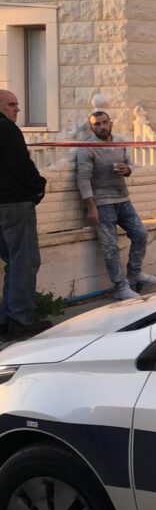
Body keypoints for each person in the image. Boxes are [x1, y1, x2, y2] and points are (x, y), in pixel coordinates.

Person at [76, 111, 156, 301]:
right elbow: (83, 178)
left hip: (122, 198)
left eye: (104, 122)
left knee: (140, 234)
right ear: (91, 128)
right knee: (110, 246)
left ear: (111, 123)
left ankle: (134, 273)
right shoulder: (86, 148)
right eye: (97, 124)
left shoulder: (120, 141)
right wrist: (91, 207)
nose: (102, 127)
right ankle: (121, 287)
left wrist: (127, 169)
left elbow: (130, 164)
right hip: (102, 203)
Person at [0, 90, 50, 338]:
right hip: (14, 204)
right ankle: (20, 319)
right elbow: (21, 165)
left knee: (14, 261)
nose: (17, 109)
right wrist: (38, 186)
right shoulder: (7, 129)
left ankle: (7, 319)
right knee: (25, 261)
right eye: (11, 104)